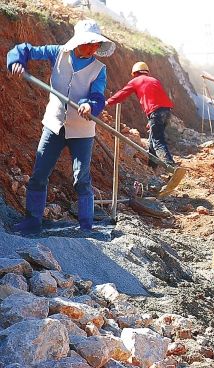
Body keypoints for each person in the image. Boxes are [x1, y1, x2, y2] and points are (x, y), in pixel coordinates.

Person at [6, 19, 115, 234]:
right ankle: (32, 221)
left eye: (96, 45)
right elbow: (25, 49)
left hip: (82, 131)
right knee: (39, 174)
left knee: (81, 178)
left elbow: (97, 96)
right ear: (78, 43)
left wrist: (89, 105)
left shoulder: (98, 69)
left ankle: (86, 226)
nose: (94, 48)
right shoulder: (59, 53)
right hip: (54, 124)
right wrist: (16, 61)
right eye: (90, 44)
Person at [104, 61, 176, 168]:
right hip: (166, 111)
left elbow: (122, 93)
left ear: (135, 73)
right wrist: (151, 121)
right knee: (152, 140)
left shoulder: (136, 81)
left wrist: (108, 102)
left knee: (157, 141)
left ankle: (171, 167)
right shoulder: (154, 80)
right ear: (146, 72)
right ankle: (152, 168)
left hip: (155, 113)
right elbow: (156, 99)